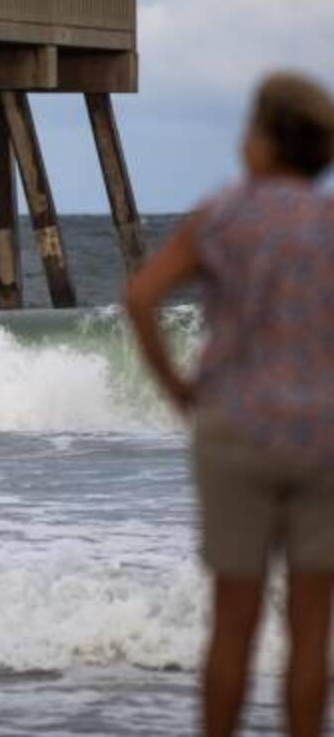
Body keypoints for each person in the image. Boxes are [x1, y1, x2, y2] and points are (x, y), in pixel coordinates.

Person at [125, 71, 334, 737]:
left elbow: (139, 298)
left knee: (232, 628)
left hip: (235, 431)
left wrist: (180, 392)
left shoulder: (224, 214)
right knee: (310, 636)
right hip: (322, 436)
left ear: (264, 145)